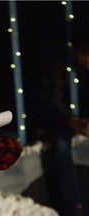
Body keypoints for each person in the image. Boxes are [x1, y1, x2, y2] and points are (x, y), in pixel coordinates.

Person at [40, 19, 89, 216]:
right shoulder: (59, 61)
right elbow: (51, 100)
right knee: (60, 144)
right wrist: (71, 120)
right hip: (62, 120)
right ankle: (72, 205)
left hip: (83, 119)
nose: (88, 62)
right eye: (85, 56)